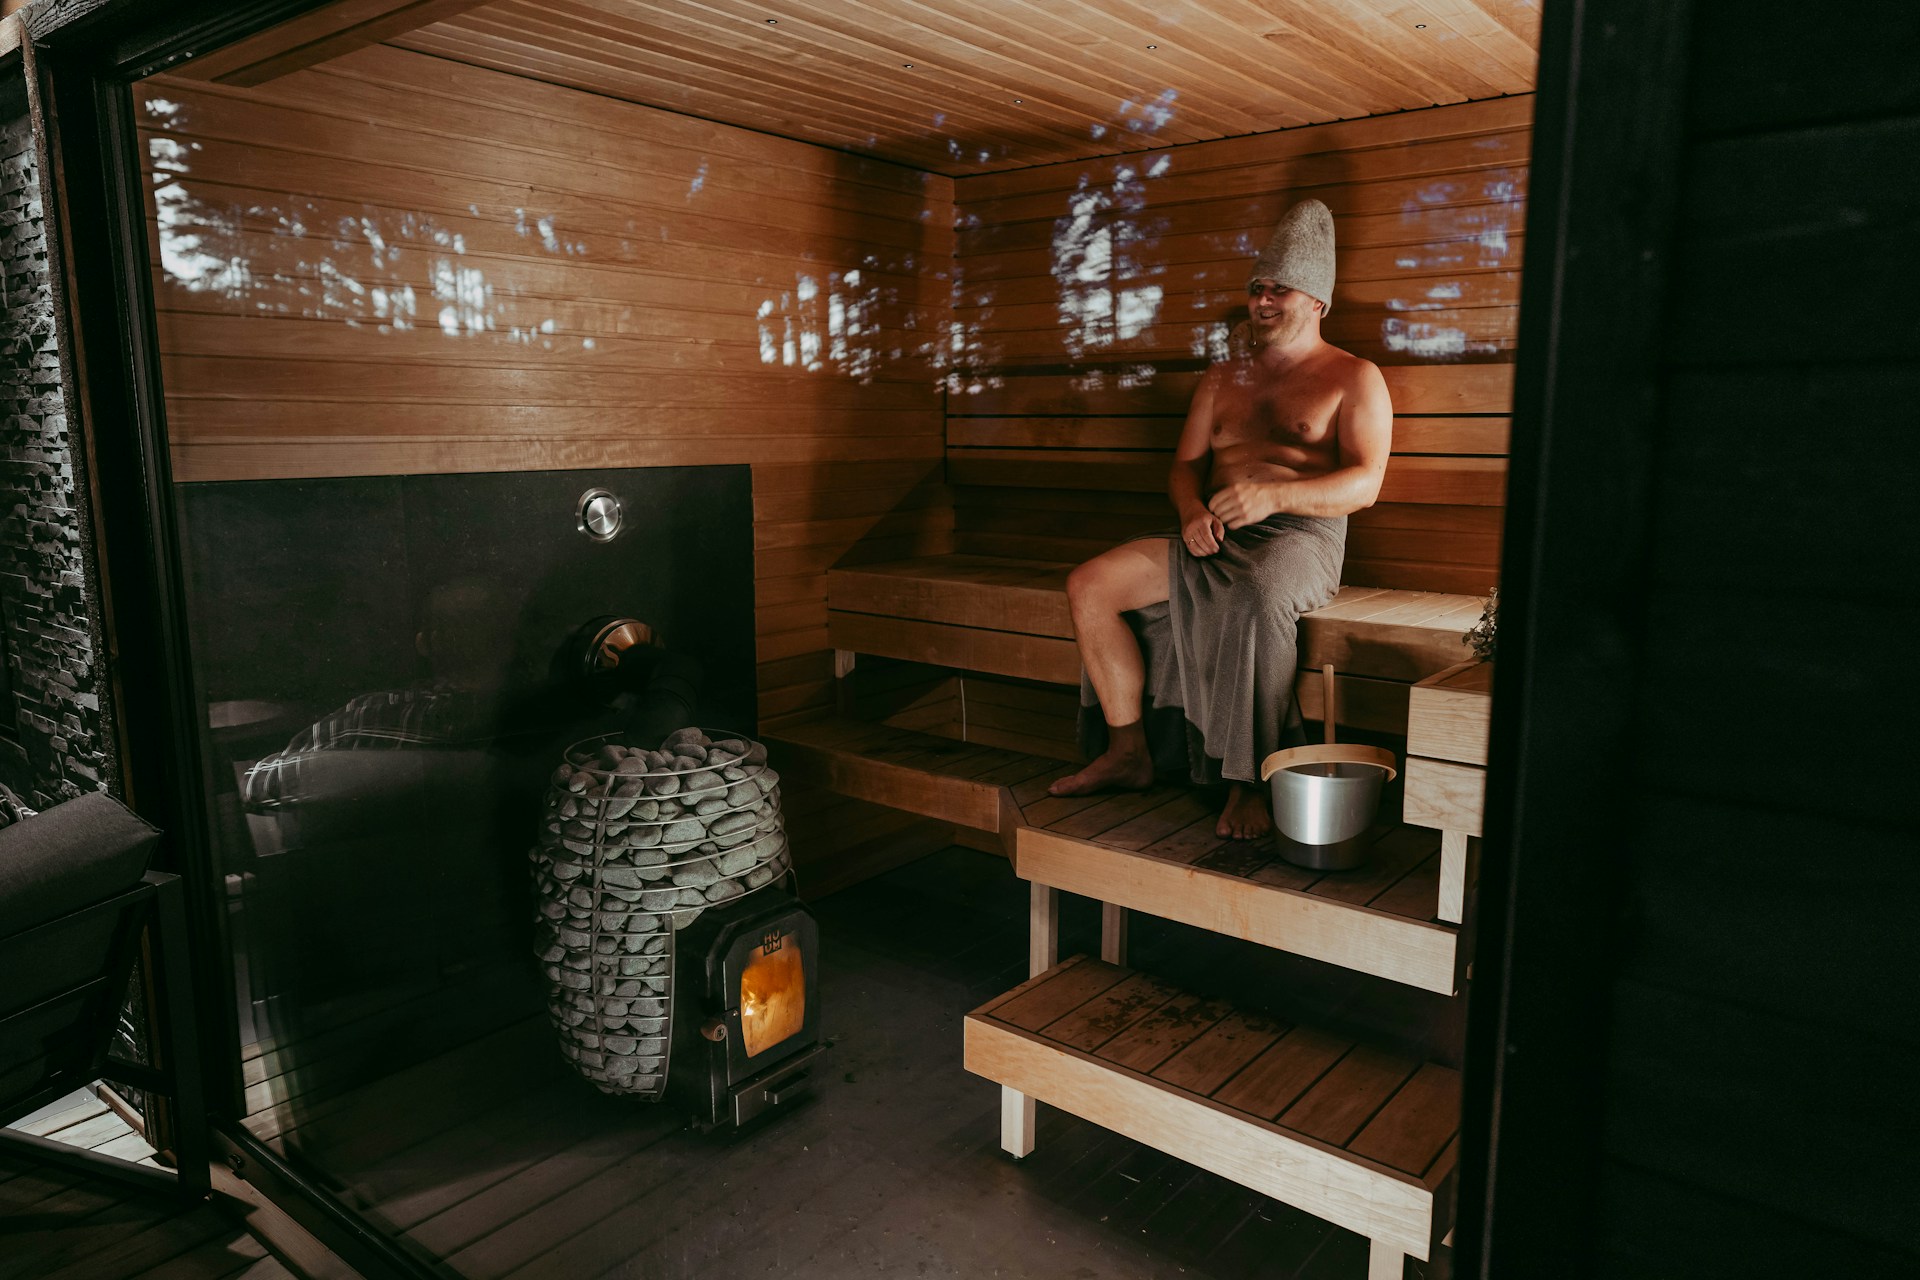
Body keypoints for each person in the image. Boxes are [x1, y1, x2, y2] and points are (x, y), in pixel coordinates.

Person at [1048, 199, 1393, 840]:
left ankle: (1250, 782)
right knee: (1089, 584)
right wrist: (1188, 511)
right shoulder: (1221, 377)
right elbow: (1186, 467)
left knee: (1256, 598)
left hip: (1301, 539)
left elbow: (1366, 483)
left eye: (1278, 290)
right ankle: (1128, 753)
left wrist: (1274, 498)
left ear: (1316, 300)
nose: (1262, 301)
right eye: (1257, 289)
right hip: (1212, 532)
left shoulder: (1354, 376)